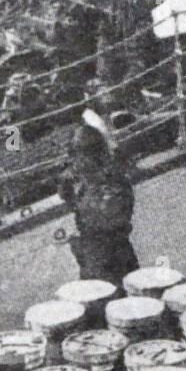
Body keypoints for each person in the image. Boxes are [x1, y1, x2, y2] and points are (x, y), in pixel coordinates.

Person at [59, 106, 140, 284]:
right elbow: (69, 201)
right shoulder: (84, 180)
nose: (74, 162)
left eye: (77, 156)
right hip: (94, 251)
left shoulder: (112, 180)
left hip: (109, 251)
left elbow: (112, 218)